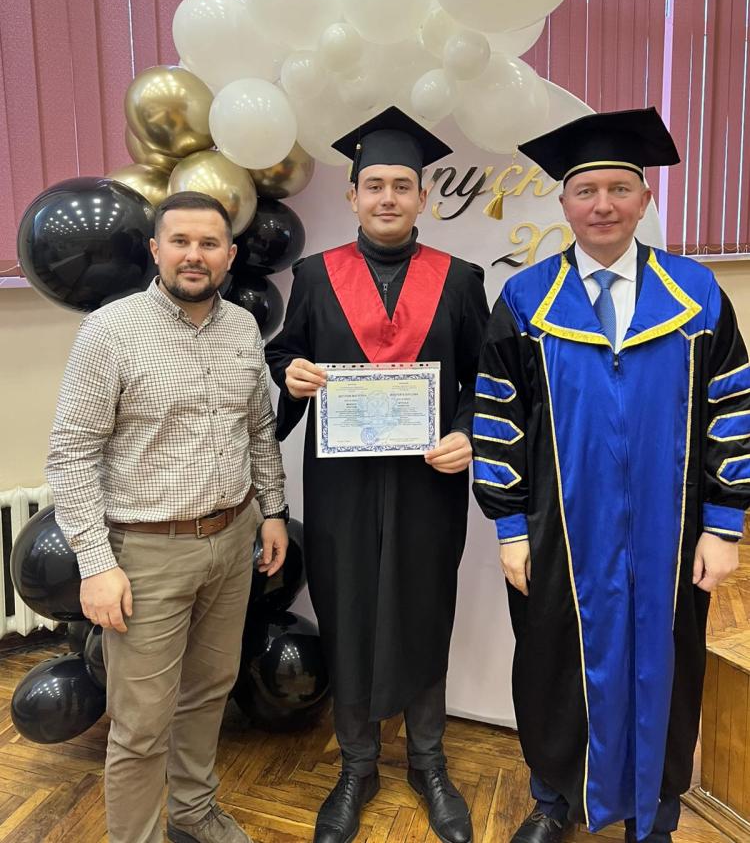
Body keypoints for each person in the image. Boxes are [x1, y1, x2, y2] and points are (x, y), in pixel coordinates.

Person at [472, 107, 750, 843]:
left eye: (619, 189)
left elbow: (732, 409)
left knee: (669, 669)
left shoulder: (695, 295)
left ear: (645, 198)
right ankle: (553, 800)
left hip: (672, 531)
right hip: (559, 532)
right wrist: (509, 527)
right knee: (552, 665)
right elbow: (497, 417)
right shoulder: (527, 300)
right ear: (564, 203)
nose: (603, 205)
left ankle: (654, 817)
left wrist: (725, 526)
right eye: (587, 190)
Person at [265, 106, 489, 843]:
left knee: (425, 606)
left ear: (423, 198)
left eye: (402, 186)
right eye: (374, 186)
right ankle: (357, 765)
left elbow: (485, 381)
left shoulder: (460, 280)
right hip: (343, 483)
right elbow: (282, 357)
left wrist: (466, 433)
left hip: (428, 480)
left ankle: (428, 761)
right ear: (353, 196)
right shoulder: (314, 276)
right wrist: (291, 375)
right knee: (349, 606)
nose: (388, 198)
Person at [47, 191, 289, 843]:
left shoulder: (242, 328)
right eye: (180, 241)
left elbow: (257, 430)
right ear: (156, 250)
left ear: (230, 255)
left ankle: (194, 812)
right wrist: (96, 564)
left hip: (232, 539)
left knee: (210, 691)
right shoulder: (112, 331)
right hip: (146, 554)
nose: (194, 255)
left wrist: (272, 511)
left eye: (209, 243)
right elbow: (71, 454)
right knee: (141, 723)